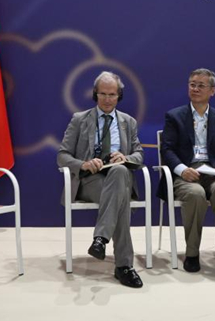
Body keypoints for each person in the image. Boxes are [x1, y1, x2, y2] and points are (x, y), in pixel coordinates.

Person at [57, 71, 144, 288]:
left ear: (119, 96)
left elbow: (139, 155)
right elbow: (62, 155)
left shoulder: (128, 122)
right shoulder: (80, 119)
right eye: (102, 94)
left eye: (112, 94)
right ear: (95, 94)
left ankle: (100, 240)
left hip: (118, 177)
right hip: (90, 181)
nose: (107, 99)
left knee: (120, 172)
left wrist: (126, 158)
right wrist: (83, 164)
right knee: (120, 199)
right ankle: (124, 266)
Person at [159, 68, 215, 283]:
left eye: (201, 85)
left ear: (212, 91)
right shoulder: (174, 116)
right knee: (195, 193)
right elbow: (167, 149)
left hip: (213, 172)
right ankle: (192, 254)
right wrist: (181, 169)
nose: (195, 89)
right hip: (187, 173)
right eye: (192, 84)